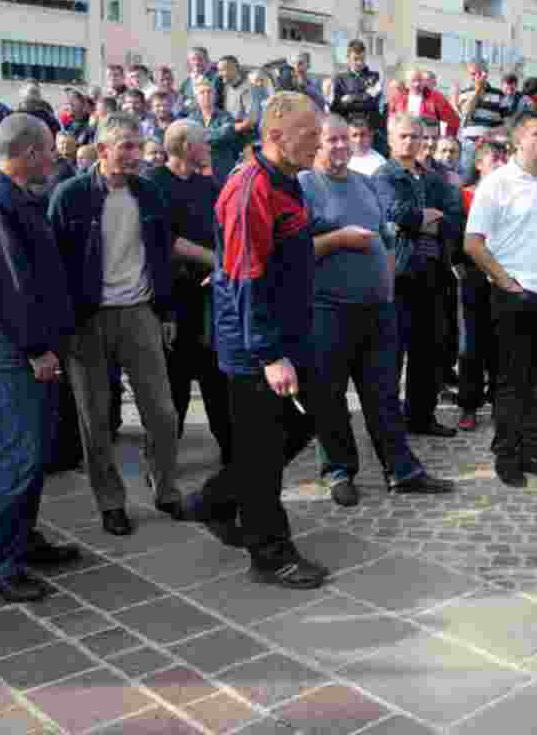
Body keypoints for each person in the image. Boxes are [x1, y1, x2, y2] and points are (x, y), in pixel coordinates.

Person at [180, 92, 328, 588]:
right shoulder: (250, 189)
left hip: (289, 335)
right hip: (255, 346)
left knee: (299, 429)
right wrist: (268, 354)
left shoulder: (290, 181)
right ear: (277, 134)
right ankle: (270, 554)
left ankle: (215, 500)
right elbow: (247, 278)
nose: (318, 142)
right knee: (264, 452)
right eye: (310, 134)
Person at [301, 115, 454, 506]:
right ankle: (339, 471)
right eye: (330, 140)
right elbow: (295, 252)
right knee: (330, 396)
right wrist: (338, 240)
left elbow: (386, 238)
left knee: (384, 393)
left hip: (376, 308)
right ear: (314, 144)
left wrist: (385, 285)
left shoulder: (363, 182)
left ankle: (401, 470)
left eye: (343, 140)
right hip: (327, 309)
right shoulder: (303, 186)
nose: (338, 147)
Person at [48, 112, 181, 537]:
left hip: (141, 312)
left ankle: (165, 488)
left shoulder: (151, 194)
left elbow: (163, 256)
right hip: (87, 320)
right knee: (95, 419)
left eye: (137, 146)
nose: (133, 154)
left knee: (162, 413)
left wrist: (167, 311)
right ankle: (110, 501)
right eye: (124, 146)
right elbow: (54, 267)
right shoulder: (69, 196)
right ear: (102, 150)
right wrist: (61, 327)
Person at [0, 114, 81, 602]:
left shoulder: (14, 197)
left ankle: (23, 541)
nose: (55, 158)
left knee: (34, 457)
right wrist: (35, 349)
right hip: (13, 354)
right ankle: (0, 565)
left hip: (29, 349)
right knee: (19, 457)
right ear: (31, 152)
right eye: (50, 150)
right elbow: (7, 286)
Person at [464, 110, 537, 488]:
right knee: (512, 383)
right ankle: (506, 456)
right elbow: (472, 243)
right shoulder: (495, 184)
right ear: (517, 141)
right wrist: (504, 281)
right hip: (514, 298)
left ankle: (532, 452)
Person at [144, 120, 232, 466]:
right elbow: (165, 240)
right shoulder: (154, 183)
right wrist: (214, 259)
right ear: (183, 145)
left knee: (216, 378)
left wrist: (221, 264)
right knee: (173, 385)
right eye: (203, 142)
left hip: (209, 296)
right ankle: (161, 461)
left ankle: (233, 453)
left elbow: (220, 230)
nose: (209, 147)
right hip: (172, 299)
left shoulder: (207, 184)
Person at [374, 113, 463, 437]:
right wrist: (423, 217)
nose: (412, 142)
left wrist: (425, 219)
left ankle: (422, 417)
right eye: (405, 136)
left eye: (417, 136)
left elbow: (453, 216)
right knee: (392, 353)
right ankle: (387, 422)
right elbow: (394, 213)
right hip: (400, 273)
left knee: (429, 350)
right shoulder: (384, 175)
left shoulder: (433, 178)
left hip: (434, 272)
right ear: (391, 138)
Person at [456, 138, 507, 431]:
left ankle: (502, 402)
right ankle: (469, 405)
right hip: (474, 277)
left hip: (504, 276)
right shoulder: (464, 196)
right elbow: (457, 239)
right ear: (478, 164)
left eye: (503, 158)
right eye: (493, 159)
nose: (500, 164)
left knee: (502, 344)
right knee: (472, 344)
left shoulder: (512, 196)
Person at [187, 77, 239, 187]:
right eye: (202, 92)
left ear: (215, 95)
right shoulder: (191, 119)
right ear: (196, 97)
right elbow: (191, 140)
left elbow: (227, 133)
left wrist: (202, 136)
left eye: (209, 92)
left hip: (223, 171)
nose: (206, 95)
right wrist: (216, 133)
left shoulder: (226, 116)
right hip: (200, 172)